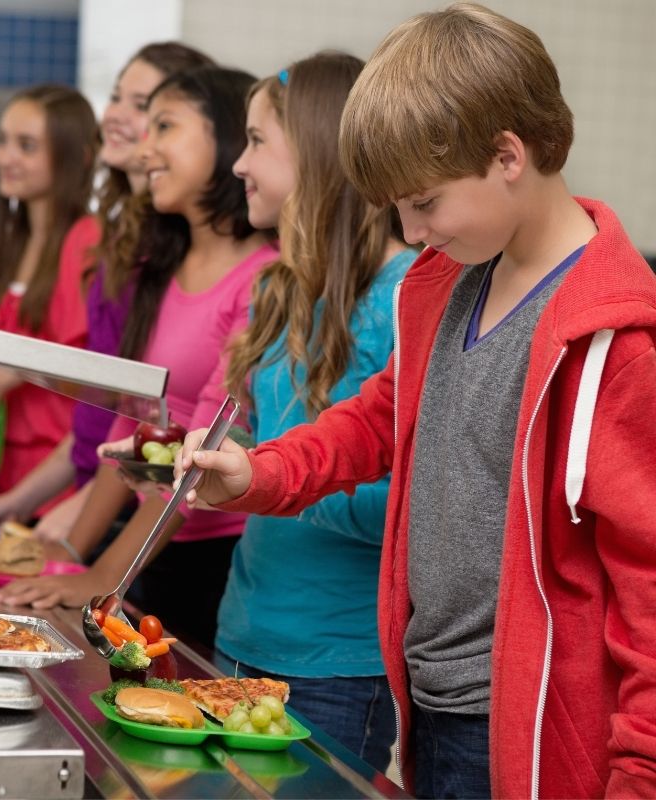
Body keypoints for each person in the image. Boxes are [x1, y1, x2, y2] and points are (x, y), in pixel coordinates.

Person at [176, 5, 656, 798]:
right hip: (431, 704)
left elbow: (646, 590)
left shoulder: (617, 341)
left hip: (528, 729)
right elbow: (377, 419)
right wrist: (259, 474)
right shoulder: (452, 283)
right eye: (396, 207)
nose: (411, 230)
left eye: (425, 202)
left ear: (508, 154)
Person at [0, 66, 277, 651]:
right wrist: (73, 553)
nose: (144, 151)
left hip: (207, 554)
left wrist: (105, 576)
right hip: (146, 541)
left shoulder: (262, 277)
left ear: (224, 140)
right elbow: (134, 417)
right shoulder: (161, 270)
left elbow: (205, 442)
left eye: (164, 127)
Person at [211, 52, 416, 773]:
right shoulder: (278, 287)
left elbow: (414, 511)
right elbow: (262, 434)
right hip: (241, 632)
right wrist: (189, 461)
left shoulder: (405, 296)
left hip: (334, 664)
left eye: (259, 141)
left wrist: (269, 483)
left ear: (322, 156)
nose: (239, 164)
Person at [0, 44, 214, 543]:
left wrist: (77, 511)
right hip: (88, 486)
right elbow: (108, 410)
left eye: (151, 112)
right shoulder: (119, 240)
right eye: (117, 97)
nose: (115, 115)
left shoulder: (97, 242)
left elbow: (129, 405)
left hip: (138, 504)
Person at [0, 84, 100, 514]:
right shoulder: (16, 244)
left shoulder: (88, 241)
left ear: (75, 157)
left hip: (58, 484)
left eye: (26, 146)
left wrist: (18, 370)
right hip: (6, 473)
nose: (6, 158)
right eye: (2, 141)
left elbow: (104, 381)